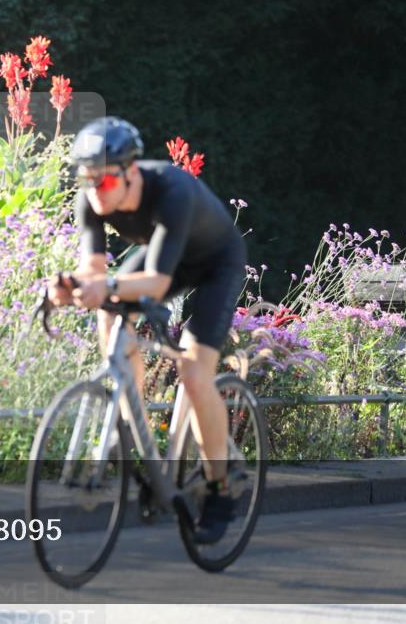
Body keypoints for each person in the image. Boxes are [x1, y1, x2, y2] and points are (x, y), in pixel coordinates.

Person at [46, 116, 246, 544]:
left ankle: (220, 487)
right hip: (164, 257)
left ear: (129, 172)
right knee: (109, 313)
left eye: (102, 181)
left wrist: (106, 286)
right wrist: (71, 287)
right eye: (86, 179)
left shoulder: (171, 189)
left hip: (214, 263)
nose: (94, 190)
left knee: (194, 375)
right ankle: (129, 420)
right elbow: (94, 270)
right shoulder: (91, 200)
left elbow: (155, 283)